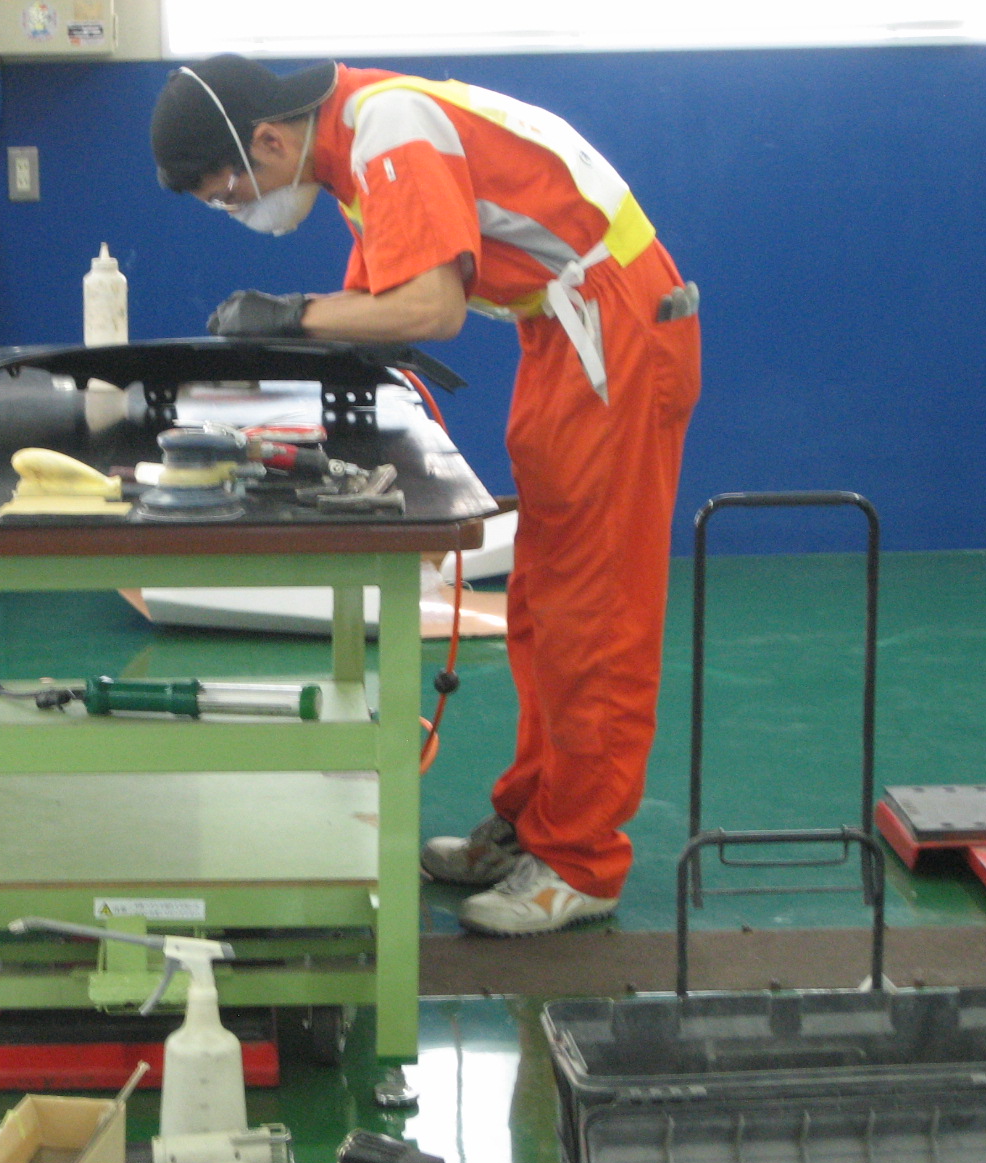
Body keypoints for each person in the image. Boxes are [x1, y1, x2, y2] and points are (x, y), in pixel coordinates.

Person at [150, 55, 702, 936]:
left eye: (228, 193)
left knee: (594, 612)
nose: (236, 208)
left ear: (269, 141)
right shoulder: (353, 144)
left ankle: (582, 862)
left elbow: (430, 309)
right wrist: (300, 325)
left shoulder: (388, 130)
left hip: (614, 331)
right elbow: (377, 298)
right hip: (566, 331)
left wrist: (290, 316)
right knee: (542, 604)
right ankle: (533, 823)